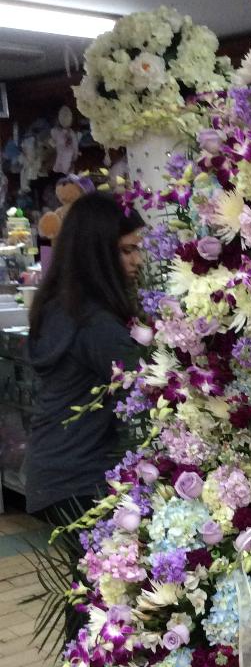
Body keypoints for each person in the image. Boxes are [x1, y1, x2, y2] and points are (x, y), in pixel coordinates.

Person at [25, 192, 145, 522]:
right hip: (80, 480)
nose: (138, 261)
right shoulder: (95, 324)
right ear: (97, 254)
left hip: (54, 472)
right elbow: (146, 388)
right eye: (126, 250)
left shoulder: (60, 307)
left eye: (138, 249)